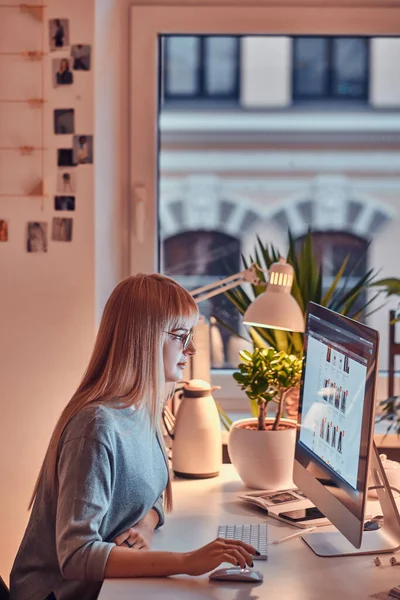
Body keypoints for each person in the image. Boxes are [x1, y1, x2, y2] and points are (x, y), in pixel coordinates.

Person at [10, 274, 255, 600]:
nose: (192, 349)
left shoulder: (142, 409)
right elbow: (75, 554)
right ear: (146, 339)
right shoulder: (95, 428)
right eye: (181, 336)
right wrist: (186, 562)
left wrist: (145, 525)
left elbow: (150, 491)